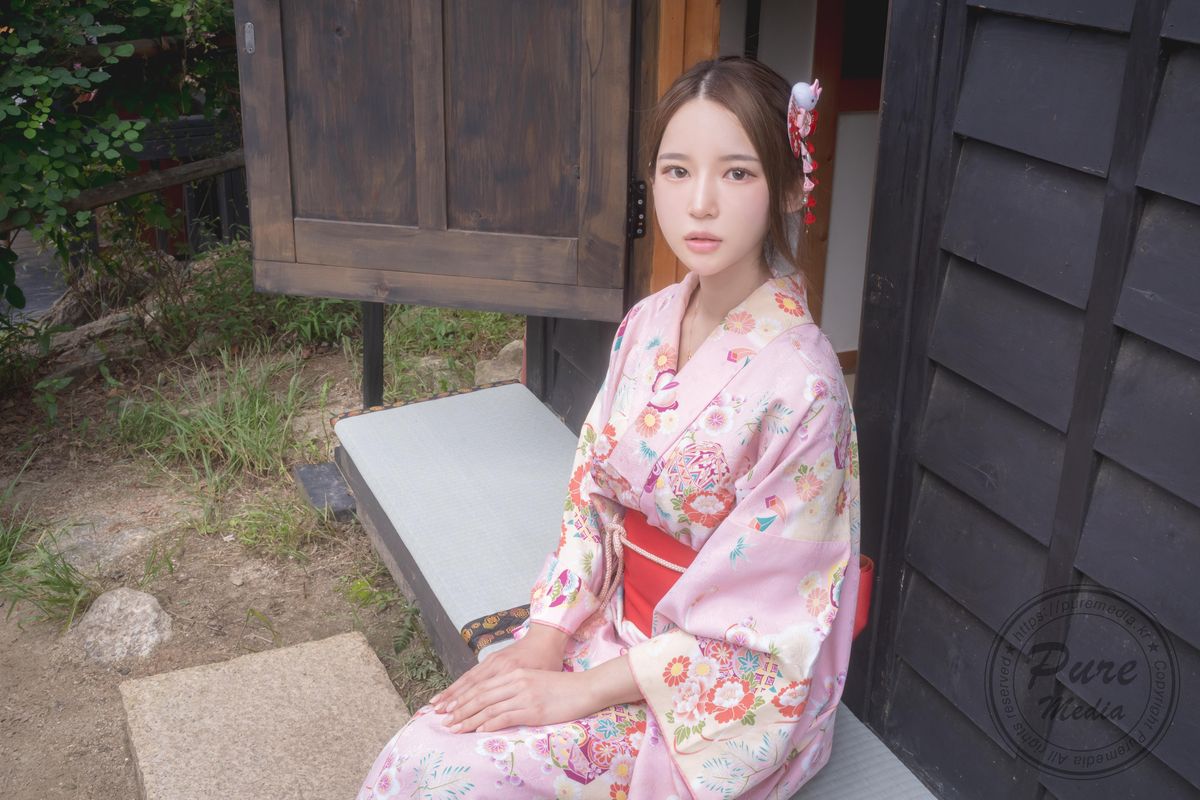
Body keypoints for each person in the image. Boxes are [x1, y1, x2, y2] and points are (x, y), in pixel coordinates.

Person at [357, 55, 861, 800]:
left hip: (711, 695)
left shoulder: (804, 385)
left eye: (737, 173)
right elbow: (592, 495)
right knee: (422, 750)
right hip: (608, 624)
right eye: (677, 171)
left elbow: (766, 616)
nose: (700, 205)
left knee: (455, 777)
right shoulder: (648, 324)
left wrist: (575, 693)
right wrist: (547, 637)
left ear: (790, 187)